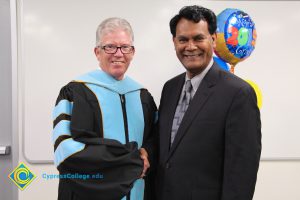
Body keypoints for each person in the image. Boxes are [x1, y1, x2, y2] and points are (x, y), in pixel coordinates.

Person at [156, 5, 261, 200]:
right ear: (174, 42)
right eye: (183, 39)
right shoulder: (169, 88)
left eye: (198, 38)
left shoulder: (239, 93)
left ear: (212, 39)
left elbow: (242, 171)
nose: (190, 46)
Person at [52, 17, 157, 200]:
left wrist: (147, 152)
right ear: (97, 52)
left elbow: (155, 138)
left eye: (125, 47)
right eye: (109, 47)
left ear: (132, 52)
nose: (118, 54)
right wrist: (129, 163)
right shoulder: (75, 93)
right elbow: (65, 150)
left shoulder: (143, 97)